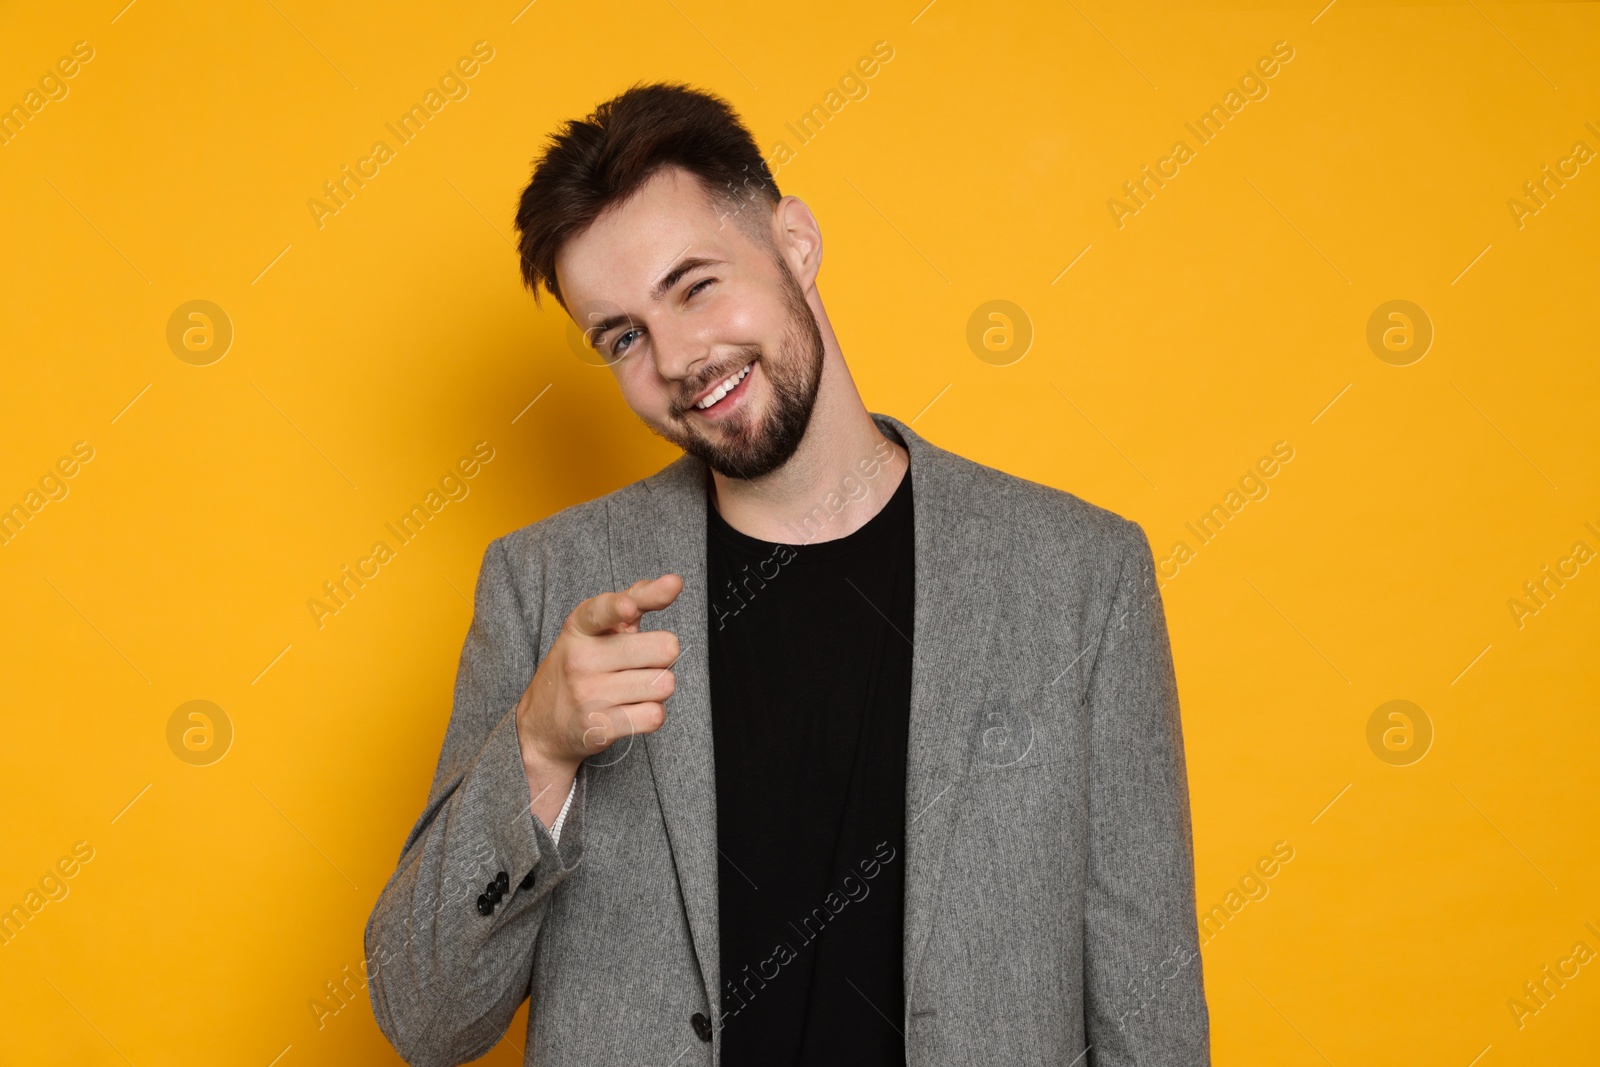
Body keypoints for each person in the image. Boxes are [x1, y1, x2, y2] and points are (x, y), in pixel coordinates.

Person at [364, 82, 1210, 1067]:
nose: (679, 356)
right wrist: (540, 749)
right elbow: (423, 1017)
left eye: (696, 285)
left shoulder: (1078, 577)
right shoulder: (546, 583)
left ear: (795, 245)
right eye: (623, 336)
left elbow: (1149, 1016)